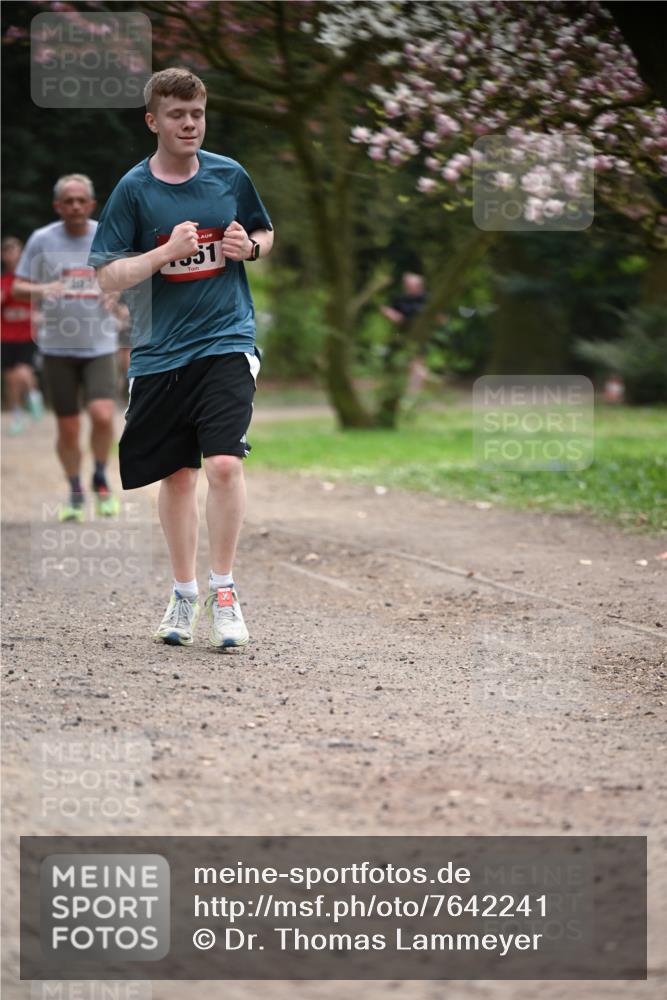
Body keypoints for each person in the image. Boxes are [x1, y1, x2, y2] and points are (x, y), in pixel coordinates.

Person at [89, 68, 274, 650]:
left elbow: (265, 234)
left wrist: (252, 248)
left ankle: (224, 591)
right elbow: (107, 275)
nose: (189, 123)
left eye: (196, 113)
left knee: (222, 465)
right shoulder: (134, 190)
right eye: (176, 114)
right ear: (154, 121)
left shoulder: (230, 174)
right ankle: (184, 591)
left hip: (227, 340)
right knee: (177, 473)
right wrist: (164, 252)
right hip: (159, 351)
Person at [13, 175, 120, 521]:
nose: (75, 206)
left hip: (100, 344)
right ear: (58, 206)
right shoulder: (42, 240)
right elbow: (17, 287)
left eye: (81, 200)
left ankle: (101, 479)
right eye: (68, 201)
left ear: (91, 204)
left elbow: (126, 275)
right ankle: (75, 489)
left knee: (103, 415)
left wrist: (117, 293)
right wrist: (43, 289)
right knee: (69, 427)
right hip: (57, 348)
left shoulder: (105, 233)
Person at [1, 236, 44, 434]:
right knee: (10, 379)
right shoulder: (3, 281)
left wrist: (39, 314)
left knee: (23, 372)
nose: (10, 255)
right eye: (7, 251)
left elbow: (41, 299)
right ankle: (17, 413)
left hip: (27, 334)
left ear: (21, 253)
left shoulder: (29, 279)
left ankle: (34, 396)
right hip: (6, 335)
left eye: (14, 250)